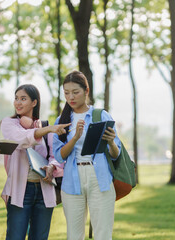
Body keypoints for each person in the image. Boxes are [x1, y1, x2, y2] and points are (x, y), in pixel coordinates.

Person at [53, 70, 121, 240]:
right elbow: (59, 156)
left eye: (75, 92)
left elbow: (115, 154)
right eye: (66, 93)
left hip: (100, 179)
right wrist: (75, 137)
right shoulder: (61, 121)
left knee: (103, 234)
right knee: (74, 235)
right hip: (71, 180)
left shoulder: (100, 115)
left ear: (86, 91)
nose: (71, 97)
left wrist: (112, 142)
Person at [0, 84, 69, 240]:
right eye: (16, 98)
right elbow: (21, 138)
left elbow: (56, 156)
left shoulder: (44, 126)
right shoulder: (9, 123)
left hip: (43, 191)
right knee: (15, 237)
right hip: (20, 191)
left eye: (23, 99)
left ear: (34, 103)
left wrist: (52, 167)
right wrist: (49, 129)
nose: (18, 102)